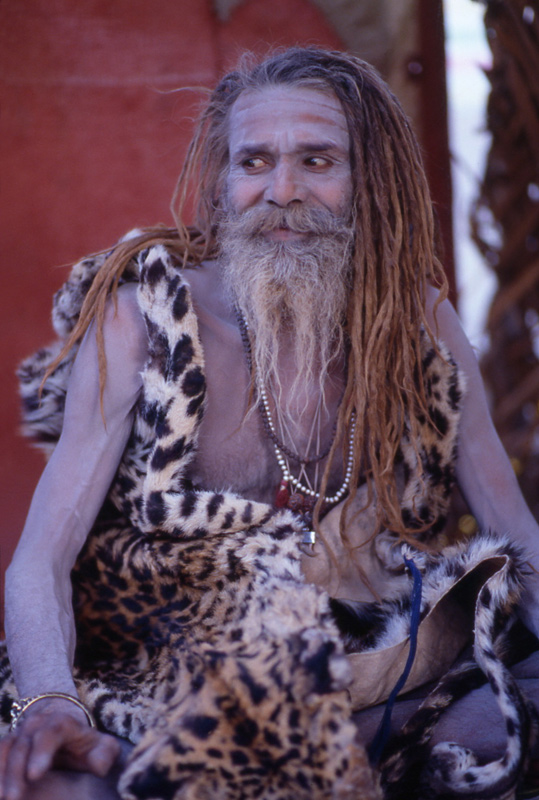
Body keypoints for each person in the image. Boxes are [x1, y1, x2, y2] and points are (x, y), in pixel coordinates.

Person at [1, 46, 539, 800]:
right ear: (224, 185)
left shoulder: (420, 329)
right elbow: (39, 561)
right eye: (253, 163)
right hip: (162, 664)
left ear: (369, 184)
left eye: (317, 161)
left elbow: (517, 537)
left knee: (497, 737)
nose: (280, 191)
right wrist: (48, 706)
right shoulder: (144, 322)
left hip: (376, 657)